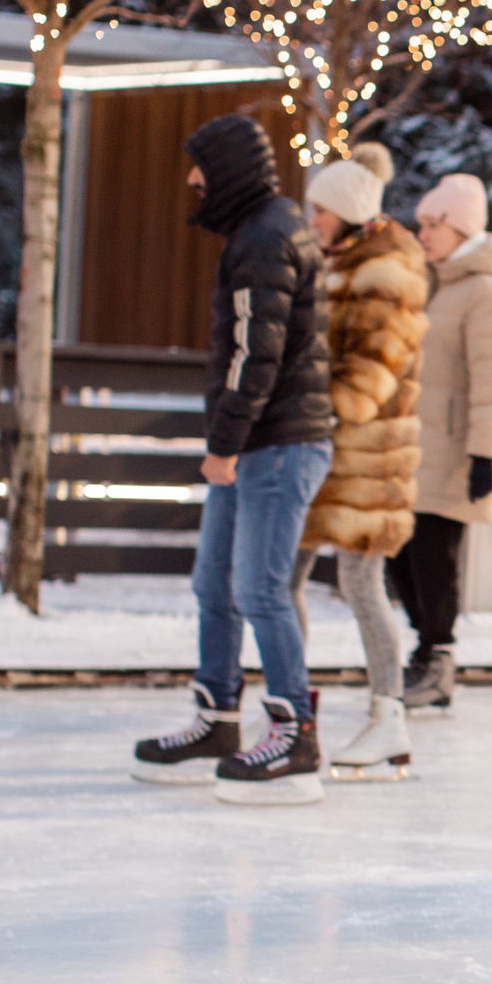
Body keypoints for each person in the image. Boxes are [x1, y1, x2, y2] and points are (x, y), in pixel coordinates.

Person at [130, 113, 335, 803]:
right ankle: (217, 720)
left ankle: (295, 734)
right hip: (259, 441)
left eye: (200, 167)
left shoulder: (266, 237)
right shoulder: (261, 230)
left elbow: (257, 355)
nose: (192, 180)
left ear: (229, 172)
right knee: (214, 585)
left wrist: (224, 444)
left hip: (276, 443)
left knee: (260, 590)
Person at [288, 142, 429, 778]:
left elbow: (374, 367)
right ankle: (291, 706)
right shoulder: (337, 258)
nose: (312, 219)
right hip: (321, 449)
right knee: (283, 581)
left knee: (360, 583)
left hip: (367, 458)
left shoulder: (388, 268)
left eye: (320, 209)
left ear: (346, 210)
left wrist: (323, 409)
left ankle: (388, 714)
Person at [396, 172, 492, 713]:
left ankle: (438, 659)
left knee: (433, 559)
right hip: (413, 449)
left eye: (434, 225)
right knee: (398, 557)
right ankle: (426, 649)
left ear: (462, 229)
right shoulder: (434, 284)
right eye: (421, 224)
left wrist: (483, 453)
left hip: (452, 451)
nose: (422, 234)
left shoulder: (485, 293)